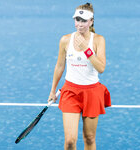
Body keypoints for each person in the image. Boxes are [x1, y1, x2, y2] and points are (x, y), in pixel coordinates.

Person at [48, 3, 111, 150]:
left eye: (83, 20)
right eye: (77, 20)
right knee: (70, 141)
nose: (80, 24)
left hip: (92, 92)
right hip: (70, 92)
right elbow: (59, 66)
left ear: (91, 21)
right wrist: (53, 90)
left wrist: (86, 49)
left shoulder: (98, 40)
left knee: (89, 138)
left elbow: (101, 68)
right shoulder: (65, 40)